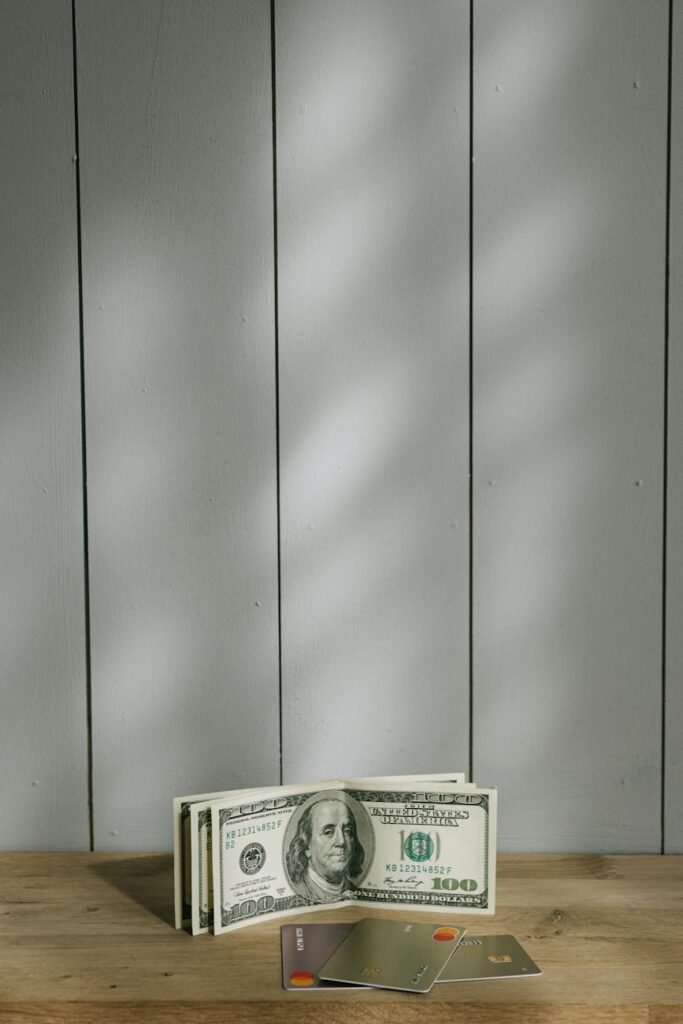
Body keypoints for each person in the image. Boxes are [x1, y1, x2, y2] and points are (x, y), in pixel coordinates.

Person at [286, 798, 365, 902]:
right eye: (328, 832)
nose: (341, 841)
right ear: (307, 846)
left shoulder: (358, 894)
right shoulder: (297, 890)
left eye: (347, 831)